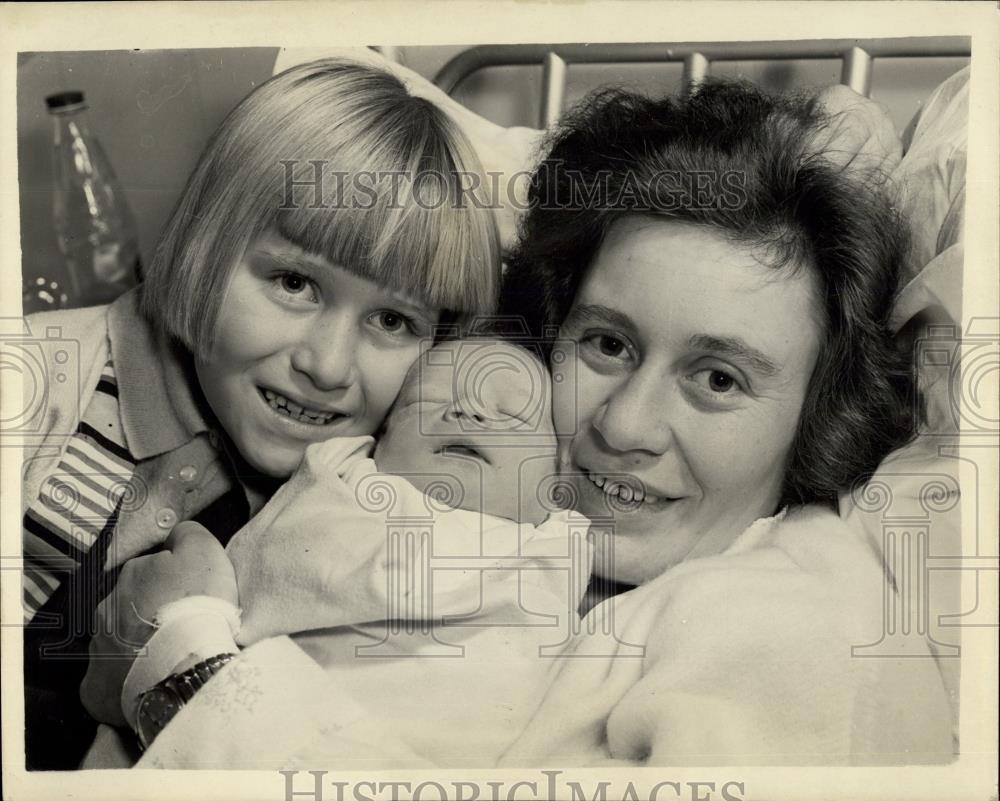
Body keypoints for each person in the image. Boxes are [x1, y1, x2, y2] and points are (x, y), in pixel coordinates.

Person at [82, 77, 956, 768]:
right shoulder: (473, 499)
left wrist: (187, 670)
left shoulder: (800, 627)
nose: (626, 425)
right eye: (607, 343)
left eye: (718, 379)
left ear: (819, 417)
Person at [21, 57, 501, 769]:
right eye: (294, 282)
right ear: (205, 245)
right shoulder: (42, 378)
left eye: (394, 321)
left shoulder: (374, 488)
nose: (328, 366)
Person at [98, 339, 593, 767]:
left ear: (555, 480)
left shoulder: (546, 548)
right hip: (236, 709)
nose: (465, 412)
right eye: (427, 402)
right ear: (379, 444)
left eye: (509, 413)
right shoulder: (341, 484)